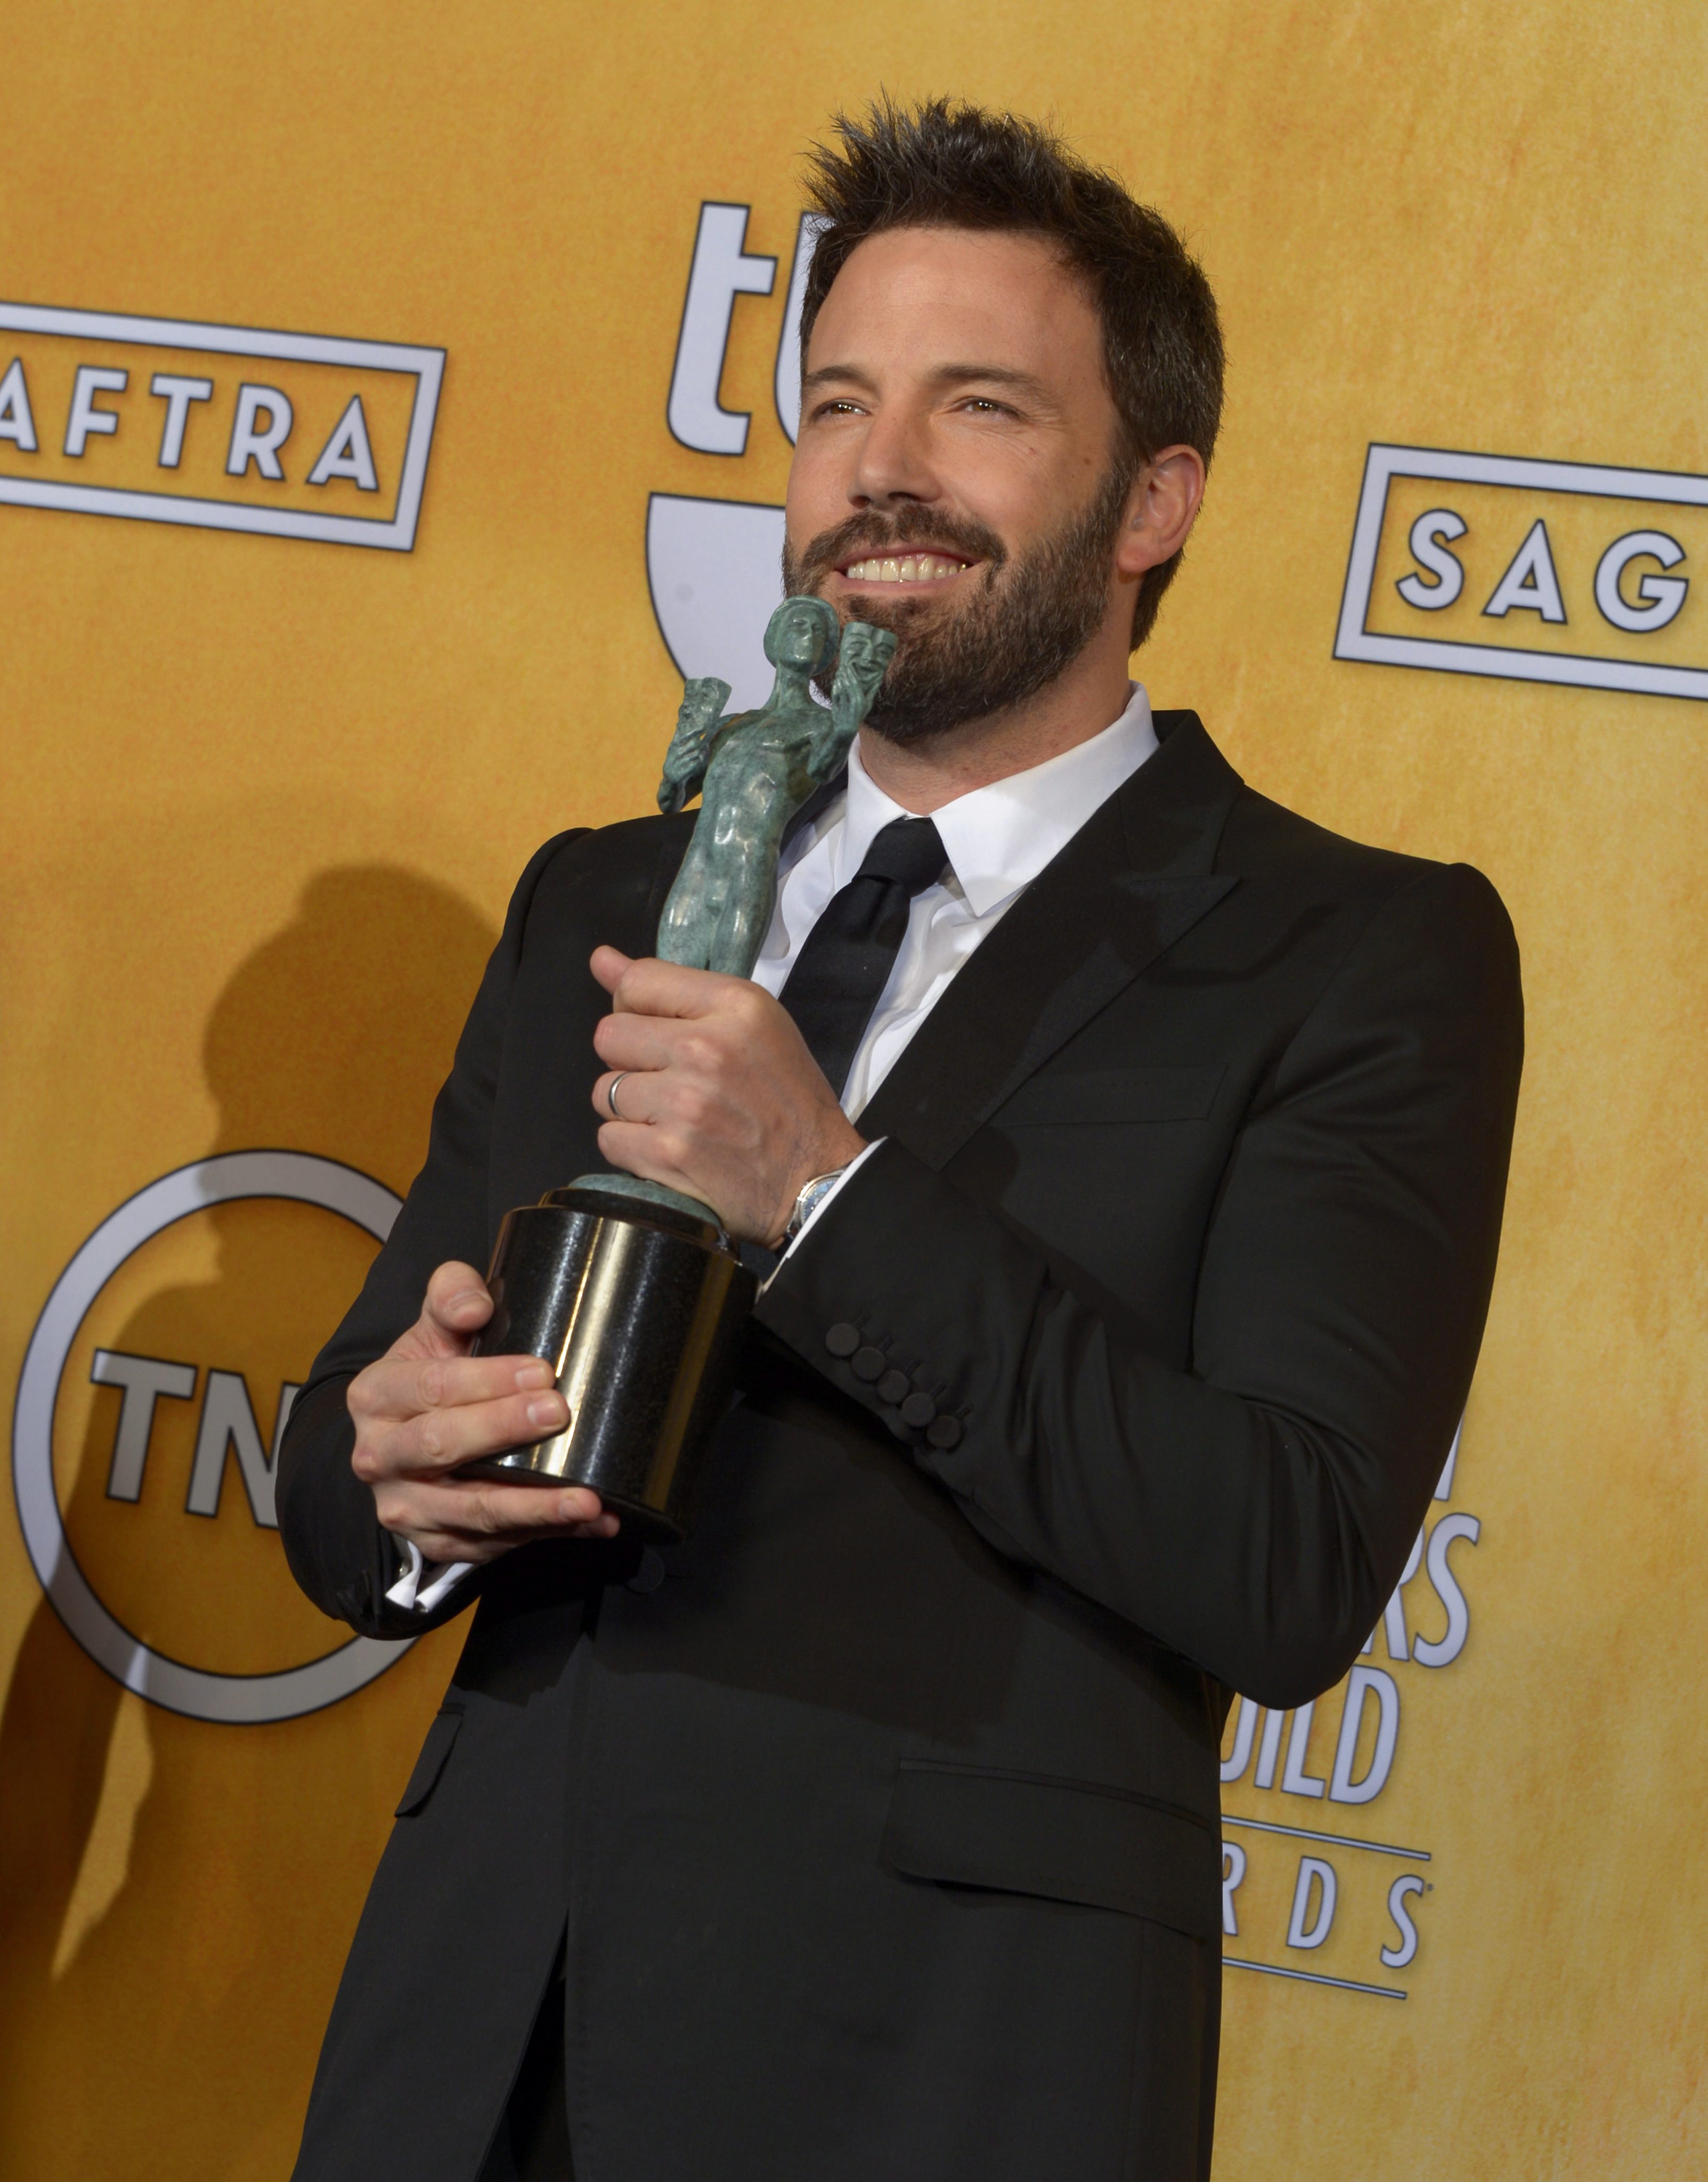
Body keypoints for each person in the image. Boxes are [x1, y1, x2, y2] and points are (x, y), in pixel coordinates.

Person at [278, 98, 1522, 2182]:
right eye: (840, 402)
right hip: (481, 2043)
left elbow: (1284, 1556)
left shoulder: (1353, 951)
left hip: (937, 2074)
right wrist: (398, 1482)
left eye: (979, 406)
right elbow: (342, 1480)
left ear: (1154, 499)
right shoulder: (602, 893)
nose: (882, 469)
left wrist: (825, 1195)